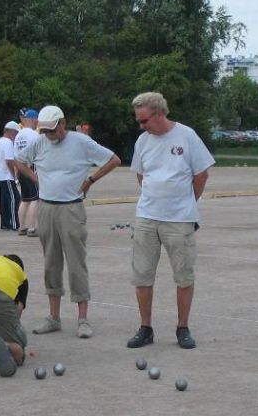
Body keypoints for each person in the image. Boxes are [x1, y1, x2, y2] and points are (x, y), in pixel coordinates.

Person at [15, 105, 120, 338]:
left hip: (71, 208)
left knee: (76, 262)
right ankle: (54, 317)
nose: (49, 135)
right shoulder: (40, 141)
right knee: (51, 262)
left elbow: (113, 160)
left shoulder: (80, 142)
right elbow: (19, 161)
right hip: (46, 207)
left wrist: (90, 180)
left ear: (63, 123)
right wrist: (35, 178)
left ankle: (82, 319)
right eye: (45, 131)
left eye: (52, 130)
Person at [125, 92, 215, 350]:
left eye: (144, 121)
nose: (141, 126)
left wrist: (188, 201)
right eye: (138, 122)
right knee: (142, 275)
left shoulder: (187, 136)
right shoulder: (143, 141)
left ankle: (182, 328)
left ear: (160, 113)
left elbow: (202, 174)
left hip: (179, 219)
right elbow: (141, 176)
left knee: (183, 275)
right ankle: (145, 327)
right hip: (146, 216)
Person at [14, 108, 40, 237]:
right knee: (35, 199)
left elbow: (15, 155)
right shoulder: (34, 135)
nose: (37, 123)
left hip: (20, 168)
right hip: (31, 168)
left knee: (25, 199)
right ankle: (32, 228)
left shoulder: (19, 135)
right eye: (37, 120)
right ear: (33, 119)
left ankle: (22, 227)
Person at [0, 121, 21, 231]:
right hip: (7, 176)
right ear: (11, 131)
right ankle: (14, 223)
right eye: (16, 133)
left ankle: (5, 223)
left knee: (4, 200)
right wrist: (14, 174)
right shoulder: (7, 143)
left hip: (0, 175)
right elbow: (9, 161)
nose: (16, 136)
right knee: (14, 199)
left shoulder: (0, 141)